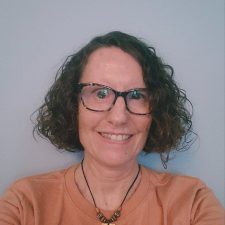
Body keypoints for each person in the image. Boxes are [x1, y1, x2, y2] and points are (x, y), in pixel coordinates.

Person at [0, 31, 224, 225]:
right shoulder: (25, 204)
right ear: (73, 105)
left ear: (155, 110)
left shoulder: (193, 203)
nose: (118, 117)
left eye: (137, 95)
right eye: (100, 93)